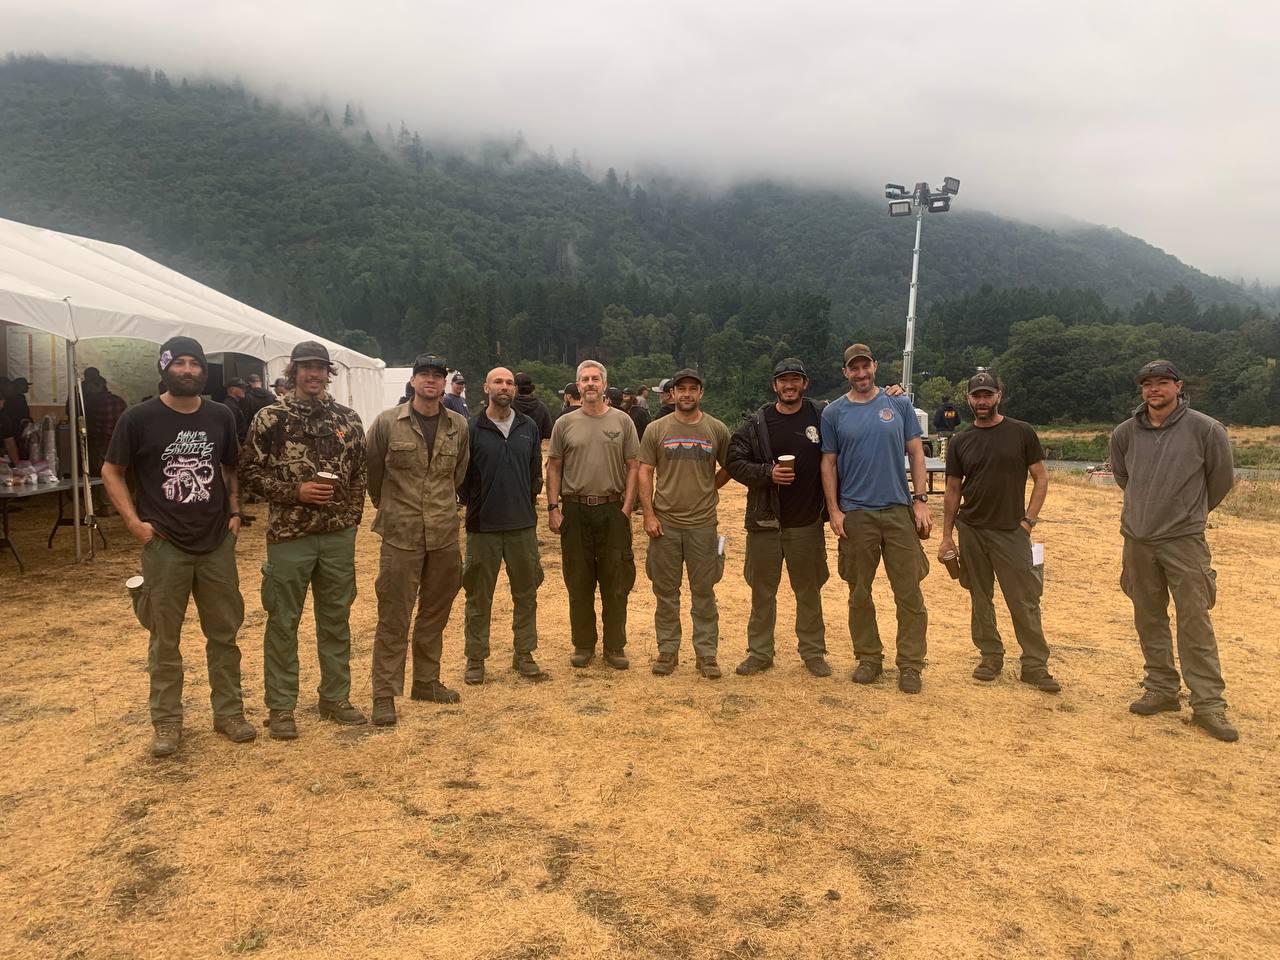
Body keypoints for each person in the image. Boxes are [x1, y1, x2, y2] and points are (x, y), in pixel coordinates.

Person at [100, 337, 255, 757]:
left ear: (204, 371)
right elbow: (111, 471)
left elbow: (229, 466)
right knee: (164, 637)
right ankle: (167, 721)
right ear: (164, 368)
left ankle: (229, 713)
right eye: (179, 363)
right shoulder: (139, 418)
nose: (187, 370)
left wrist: (235, 513)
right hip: (165, 543)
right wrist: (135, 524)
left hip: (216, 543)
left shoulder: (221, 415)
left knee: (224, 634)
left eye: (195, 364)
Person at [239, 341, 369, 740]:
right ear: (293, 372)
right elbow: (248, 473)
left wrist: (349, 523)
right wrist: (293, 493)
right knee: (283, 622)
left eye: (320, 368)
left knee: (336, 620)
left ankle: (335, 697)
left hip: (336, 538)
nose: (313, 374)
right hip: (289, 536)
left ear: (328, 373)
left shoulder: (347, 419)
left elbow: (360, 475)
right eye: (306, 368)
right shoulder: (270, 418)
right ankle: (281, 707)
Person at [1111, 360, 1238, 742]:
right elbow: (1123, 477)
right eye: (1147, 384)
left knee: (1194, 620)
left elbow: (1221, 480)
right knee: (1148, 615)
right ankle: (1161, 688)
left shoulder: (1206, 429)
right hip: (1137, 538)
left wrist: (1188, 513)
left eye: (1162, 382)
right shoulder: (1124, 433)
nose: (1154, 389)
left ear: (1178, 386)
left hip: (1184, 541)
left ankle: (1209, 705)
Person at [821, 343, 932, 694]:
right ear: (845, 372)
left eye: (865, 366)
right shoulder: (834, 413)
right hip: (856, 513)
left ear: (875, 366)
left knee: (909, 592)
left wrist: (920, 500)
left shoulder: (898, 403)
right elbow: (829, 464)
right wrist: (835, 510)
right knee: (859, 591)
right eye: (853, 368)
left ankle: (910, 664)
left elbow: (916, 452)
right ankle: (868, 657)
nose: (861, 373)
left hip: (898, 510)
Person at [366, 353, 470, 725]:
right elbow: (373, 475)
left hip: (443, 533)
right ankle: (384, 694)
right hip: (401, 535)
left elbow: (458, 474)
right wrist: (394, 508)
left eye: (437, 376)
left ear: (444, 383)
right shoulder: (387, 423)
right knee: (394, 615)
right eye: (424, 375)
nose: (430, 381)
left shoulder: (458, 425)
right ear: (412, 381)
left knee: (435, 612)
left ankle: (426, 681)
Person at [938, 373, 1058, 692]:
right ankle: (990, 656)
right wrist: (947, 535)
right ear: (968, 399)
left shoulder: (1021, 432)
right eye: (976, 396)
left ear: (999, 396)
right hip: (972, 529)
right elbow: (952, 489)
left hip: (1011, 531)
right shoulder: (960, 441)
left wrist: (1028, 521)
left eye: (987, 395)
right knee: (980, 596)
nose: (982, 401)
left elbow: (1041, 478)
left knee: (1024, 598)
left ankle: (1034, 664)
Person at [726, 358, 832, 678]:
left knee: (809, 590)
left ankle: (813, 653)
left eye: (795, 380)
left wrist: (893, 392)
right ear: (774, 386)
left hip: (806, 522)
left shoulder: (821, 416)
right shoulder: (757, 423)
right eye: (783, 380)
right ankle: (760, 653)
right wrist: (767, 473)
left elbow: (857, 403)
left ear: (805, 384)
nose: (789, 385)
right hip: (765, 522)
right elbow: (733, 460)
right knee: (762, 590)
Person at [638, 369, 732, 678]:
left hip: (703, 524)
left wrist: (709, 487)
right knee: (666, 591)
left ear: (701, 393)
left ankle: (706, 655)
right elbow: (645, 472)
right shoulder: (655, 429)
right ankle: (667, 651)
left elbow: (730, 466)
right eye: (682, 389)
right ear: (672, 394)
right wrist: (649, 514)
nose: (687, 394)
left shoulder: (716, 429)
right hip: (665, 524)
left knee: (704, 591)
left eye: (693, 389)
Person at [547, 360, 639, 669]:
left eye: (595, 379)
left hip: (613, 509)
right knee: (579, 581)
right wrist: (553, 507)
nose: (589, 384)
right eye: (584, 379)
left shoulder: (623, 421)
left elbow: (633, 467)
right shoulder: (565, 423)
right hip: (574, 509)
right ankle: (583, 645)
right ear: (577, 385)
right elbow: (554, 467)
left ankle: (615, 647)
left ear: (604, 384)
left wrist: (626, 508)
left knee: (616, 582)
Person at [461, 367, 546, 684]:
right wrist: (478, 501)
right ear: (486, 388)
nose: (505, 387)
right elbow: (463, 478)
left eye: (510, 383)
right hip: (483, 526)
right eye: (499, 381)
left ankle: (524, 653)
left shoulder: (529, 427)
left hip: (522, 524)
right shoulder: (472, 428)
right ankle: (475, 658)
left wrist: (528, 499)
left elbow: (535, 472)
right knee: (478, 596)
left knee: (526, 592)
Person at [83, 371, 128, 476]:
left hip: (99, 449)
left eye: (88, 386)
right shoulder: (120, 401)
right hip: (119, 448)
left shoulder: (93, 404)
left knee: (97, 480)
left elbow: (93, 431)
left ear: (96, 386)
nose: (87, 390)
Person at [513, 372, 554, 440]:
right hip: (534, 447)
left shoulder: (509, 406)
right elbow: (548, 432)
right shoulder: (541, 406)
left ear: (516, 388)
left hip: (513, 447)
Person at [223, 378, 250, 443]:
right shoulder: (230, 406)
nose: (244, 390)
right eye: (241, 387)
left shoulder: (234, 404)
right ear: (232, 389)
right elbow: (231, 431)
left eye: (244, 388)